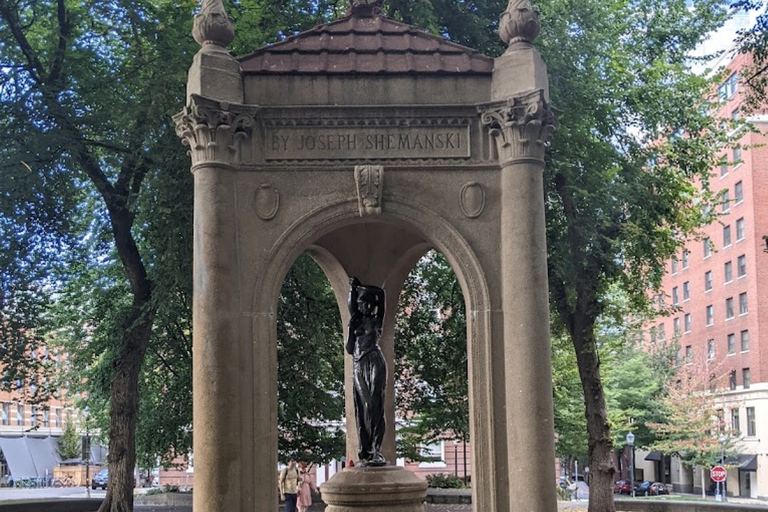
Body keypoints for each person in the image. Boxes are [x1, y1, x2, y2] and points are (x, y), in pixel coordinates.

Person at [346, 276, 387, 466]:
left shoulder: (376, 320)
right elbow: (348, 348)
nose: (364, 307)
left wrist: (361, 287)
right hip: (359, 364)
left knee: (375, 404)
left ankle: (376, 450)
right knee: (364, 407)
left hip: (374, 360)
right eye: (361, 304)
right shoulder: (356, 322)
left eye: (368, 304)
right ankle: (365, 450)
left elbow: (382, 297)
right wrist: (350, 330)